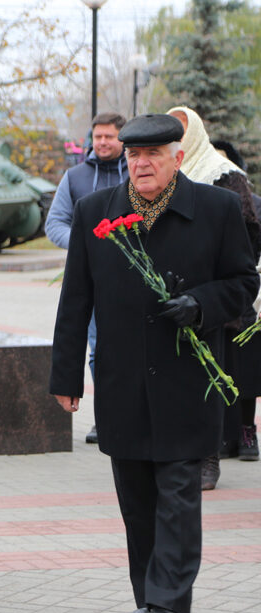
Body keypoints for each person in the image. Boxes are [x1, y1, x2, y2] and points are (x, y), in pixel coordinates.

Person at [50, 114, 259, 613]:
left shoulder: (216, 208)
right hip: (123, 382)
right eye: (132, 157)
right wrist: (66, 375)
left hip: (190, 381)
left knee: (180, 493)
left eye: (152, 155)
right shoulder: (96, 212)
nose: (140, 164)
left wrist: (202, 304)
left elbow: (242, 281)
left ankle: (168, 601)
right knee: (136, 498)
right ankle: (148, 596)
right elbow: (76, 299)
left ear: (177, 158)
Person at [167, 106, 261, 487]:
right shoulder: (165, 175)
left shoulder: (225, 177)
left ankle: (209, 459)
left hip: (216, 297)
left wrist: (222, 278)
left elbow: (250, 233)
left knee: (215, 374)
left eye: (181, 130)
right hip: (175, 295)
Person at [45, 112, 128, 445]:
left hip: (139, 277)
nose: (103, 142)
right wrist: (87, 247)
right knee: (98, 350)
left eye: (110, 136)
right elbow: (55, 224)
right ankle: (106, 415)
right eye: (98, 137)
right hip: (95, 280)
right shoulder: (75, 177)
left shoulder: (135, 172)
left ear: (123, 138)